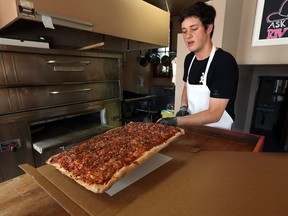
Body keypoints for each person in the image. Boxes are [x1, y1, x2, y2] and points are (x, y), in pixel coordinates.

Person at [158, 1, 239, 130]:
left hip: (218, 135)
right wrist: (183, 107)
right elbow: (186, 87)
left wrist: (177, 121)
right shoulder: (189, 59)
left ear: (209, 28)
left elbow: (214, 114)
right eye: (184, 31)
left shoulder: (224, 62)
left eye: (194, 29)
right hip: (193, 129)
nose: (188, 36)